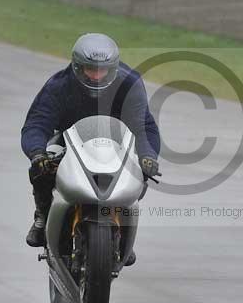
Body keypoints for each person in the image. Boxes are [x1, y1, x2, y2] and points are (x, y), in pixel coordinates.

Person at [21, 33, 161, 260]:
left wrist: (148, 156)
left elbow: (145, 126)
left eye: (102, 70)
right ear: (77, 67)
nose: (96, 76)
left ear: (113, 68)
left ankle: (122, 231)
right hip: (68, 143)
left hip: (116, 144)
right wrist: (37, 153)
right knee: (41, 168)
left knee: (141, 172)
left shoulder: (130, 84)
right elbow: (36, 124)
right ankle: (42, 215)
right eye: (90, 69)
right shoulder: (58, 86)